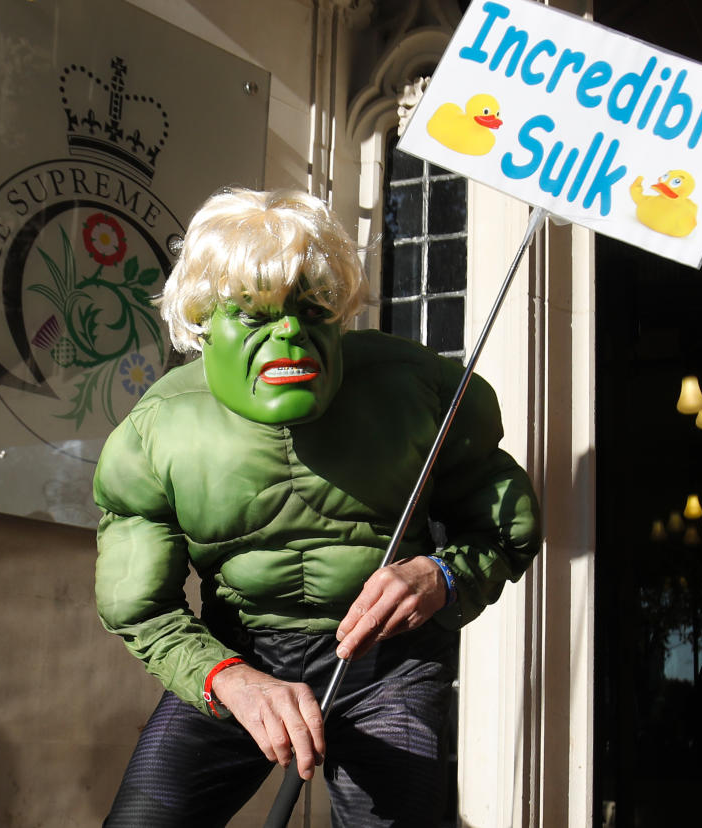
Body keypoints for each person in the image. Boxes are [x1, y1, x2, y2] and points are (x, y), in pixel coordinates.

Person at [93, 188, 542, 827]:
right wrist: (227, 679)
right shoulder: (154, 434)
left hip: (391, 667)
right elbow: (138, 605)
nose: (289, 333)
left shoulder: (421, 393)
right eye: (253, 314)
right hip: (236, 655)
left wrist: (439, 576)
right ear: (201, 321)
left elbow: (504, 528)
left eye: (312, 310)